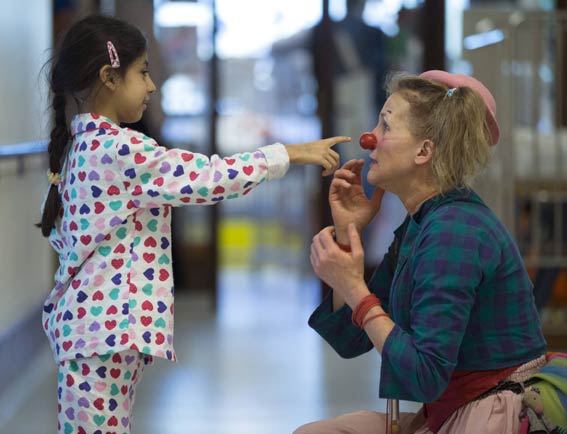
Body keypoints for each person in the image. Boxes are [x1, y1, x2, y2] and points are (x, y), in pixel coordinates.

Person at [38, 15, 349, 434]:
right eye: (143, 72)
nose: (151, 86)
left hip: (92, 331)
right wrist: (288, 154)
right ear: (109, 77)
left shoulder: (83, 146)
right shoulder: (118, 149)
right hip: (101, 335)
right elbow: (205, 177)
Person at [296, 70, 551, 433]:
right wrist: (347, 233)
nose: (369, 139)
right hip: (451, 407)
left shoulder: (454, 230)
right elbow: (350, 340)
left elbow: (423, 377)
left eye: (385, 126)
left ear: (424, 151)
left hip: (494, 412)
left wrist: (355, 287)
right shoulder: (424, 221)